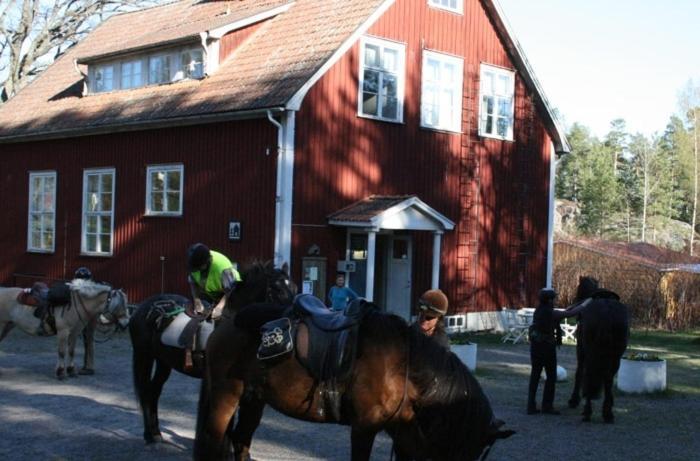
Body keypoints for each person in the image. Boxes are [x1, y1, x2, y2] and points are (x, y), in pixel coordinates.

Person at [527, 288, 590, 415]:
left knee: (535, 375)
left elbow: (564, 312)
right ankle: (547, 406)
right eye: (553, 299)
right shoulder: (551, 313)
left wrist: (576, 305)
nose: (554, 300)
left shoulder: (539, 310)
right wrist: (586, 303)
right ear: (549, 300)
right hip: (547, 348)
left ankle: (531, 406)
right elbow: (569, 314)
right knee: (551, 377)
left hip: (536, 347)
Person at [187, 243, 241, 319]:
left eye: (199, 267)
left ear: (206, 262)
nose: (197, 270)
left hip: (233, 294)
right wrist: (196, 300)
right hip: (213, 294)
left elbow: (230, 290)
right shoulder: (194, 264)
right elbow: (192, 282)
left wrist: (220, 307)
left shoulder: (222, 267)